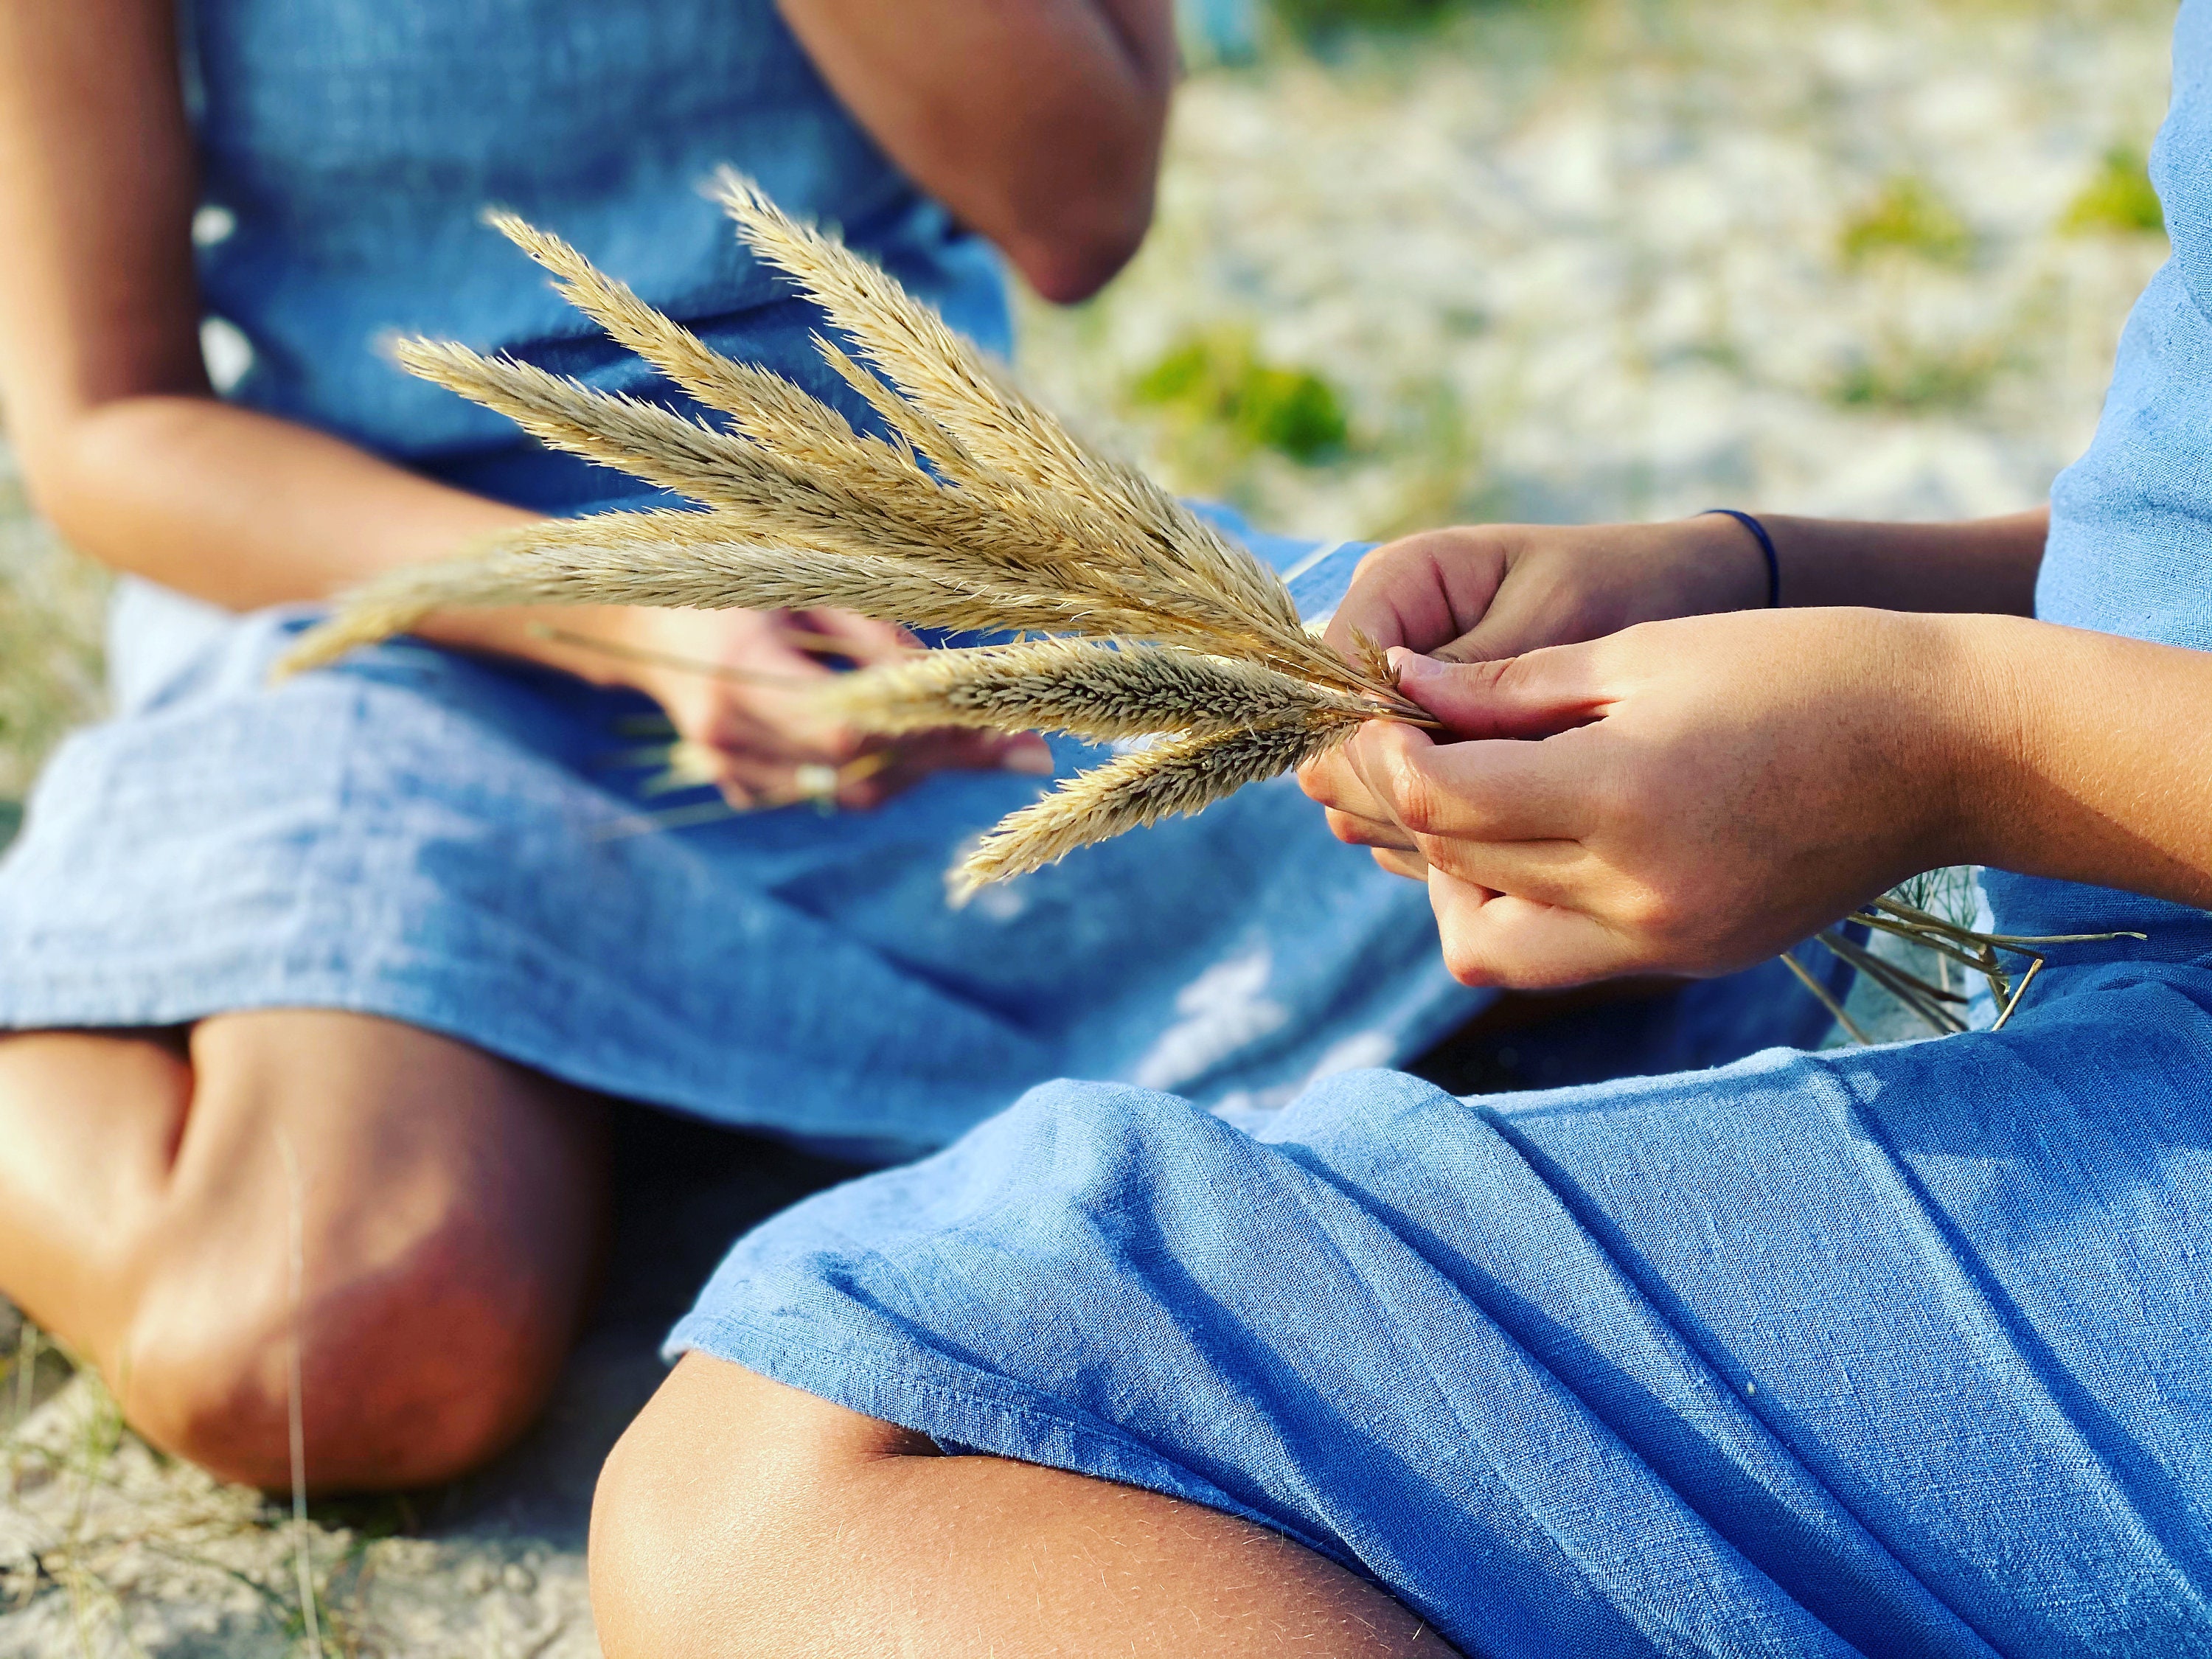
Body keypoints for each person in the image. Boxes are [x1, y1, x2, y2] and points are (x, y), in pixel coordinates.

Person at [585, 4, 2212, 1653]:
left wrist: (1949, 737)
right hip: (2109, 1022)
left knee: (831, 1452)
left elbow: (1074, 195)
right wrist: (1765, 575)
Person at [0, 0, 1529, 1495]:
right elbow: (109, 425)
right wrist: (635, 617)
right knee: (325, 1350)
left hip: (922, 568)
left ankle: (582, 1061)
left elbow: (1075, 199)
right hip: (390, 609)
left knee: (1535, 804)